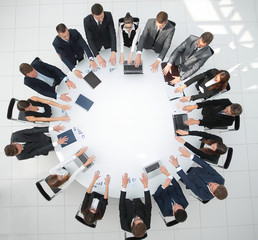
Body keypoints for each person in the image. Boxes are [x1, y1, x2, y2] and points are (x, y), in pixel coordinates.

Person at [83, 3, 116, 68]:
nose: (101, 19)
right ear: (93, 15)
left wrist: (113, 52)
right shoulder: (87, 21)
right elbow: (90, 40)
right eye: (98, 18)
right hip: (96, 42)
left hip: (107, 40)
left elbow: (112, 33)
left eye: (102, 16)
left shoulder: (108, 15)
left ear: (103, 11)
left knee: (112, 60)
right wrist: (98, 56)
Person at [119, 173, 152, 238]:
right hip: (138, 202)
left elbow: (122, 207)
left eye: (137, 219)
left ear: (132, 225)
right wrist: (145, 186)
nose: (139, 217)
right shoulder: (147, 225)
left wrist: (124, 187)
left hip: (126, 202)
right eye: (141, 220)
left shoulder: (124, 225)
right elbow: (148, 207)